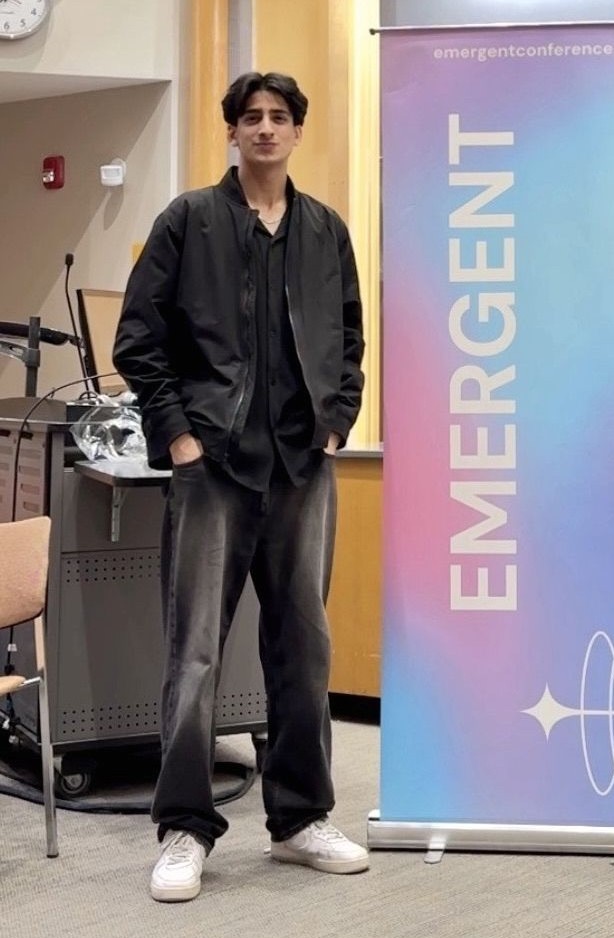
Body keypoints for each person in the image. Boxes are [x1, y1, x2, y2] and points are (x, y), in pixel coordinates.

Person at [114, 71, 367, 902]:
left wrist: (337, 418)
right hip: (213, 469)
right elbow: (139, 340)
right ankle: (185, 828)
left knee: (303, 646)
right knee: (194, 653)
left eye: (279, 117)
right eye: (251, 117)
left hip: (301, 467)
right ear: (232, 132)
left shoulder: (326, 230)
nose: (265, 129)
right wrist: (179, 436)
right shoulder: (188, 220)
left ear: (297, 131)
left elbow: (350, 336)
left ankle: (298, 819)